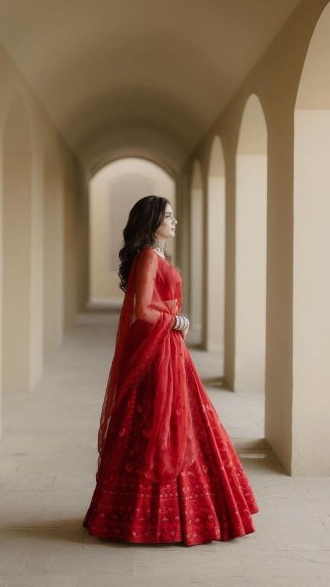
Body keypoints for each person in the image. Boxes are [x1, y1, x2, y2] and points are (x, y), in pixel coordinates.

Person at [82, 195, 259, 546]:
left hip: (170, 350)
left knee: (185, 421)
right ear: (152, 223)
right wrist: (177, 319)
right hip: (159, 352)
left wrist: (173, 320)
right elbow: (141, 311)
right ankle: (144, 519)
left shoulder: (159, 255)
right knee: (158, 425)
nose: (174, 221)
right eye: (168, 216)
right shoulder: (149, 257)